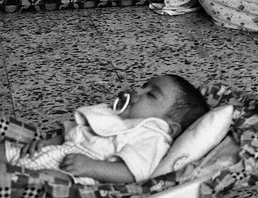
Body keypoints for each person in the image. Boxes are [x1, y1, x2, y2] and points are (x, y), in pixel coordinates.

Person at [2, 74, 208, 183]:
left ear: (169, 127)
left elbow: (133, 173)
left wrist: (92, 167)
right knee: (6, 150)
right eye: (144, 85)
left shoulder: (152, 135)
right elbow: (73, 134)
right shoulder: (112, 116)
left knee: (46, 181)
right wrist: (45, 144)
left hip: (77, 174)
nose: (138, 90)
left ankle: (11, 181)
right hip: (53, 153)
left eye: (151, 94)